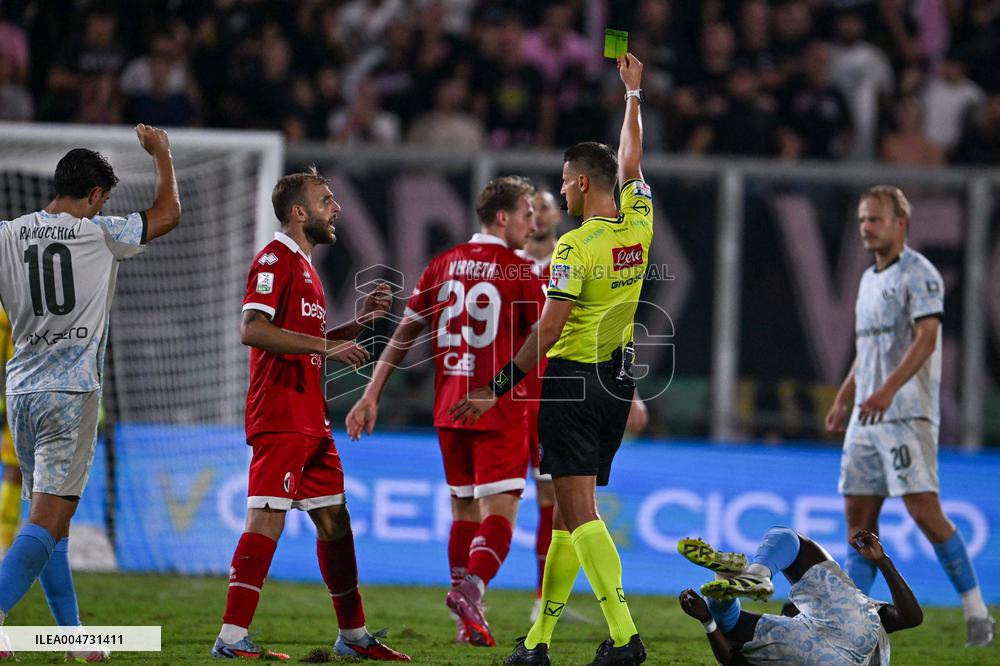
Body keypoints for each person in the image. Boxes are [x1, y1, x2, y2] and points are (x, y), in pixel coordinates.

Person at [451, 53, 651, 666]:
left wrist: (501, 383)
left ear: (583, 184)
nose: (559, 190)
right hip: (618, 380)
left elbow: (551, 323)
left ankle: (625, 637)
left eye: (565, 181)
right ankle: (538, 642)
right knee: (566, 517)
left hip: (570, 384)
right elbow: (632, 162)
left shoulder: (573, 244)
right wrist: (632, 97)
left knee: (581, 514)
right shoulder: (638, 221)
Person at [212, 167, 409, 661]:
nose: (336, 207)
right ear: (299, 212)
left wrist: (356, 327)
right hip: (278, 414)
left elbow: (303, 343)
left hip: (309, 418)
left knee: (334, 519)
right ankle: (231, 639)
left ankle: (354, 637)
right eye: (326, 200)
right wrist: (325, 343)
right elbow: (253, 330)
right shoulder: (274, 259)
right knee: (266, 518)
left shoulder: (306, 268)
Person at [0, 125, 181, 662]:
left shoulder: (8, 234)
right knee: (49, 520)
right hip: (70, 393)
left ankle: (73, 639)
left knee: (46, 518)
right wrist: (163, 155)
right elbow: (168, 214)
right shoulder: (101, 232)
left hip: (21, 393)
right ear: (96, 195)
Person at [346, 175, 544, 648]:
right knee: (502, 513)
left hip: (449, 409)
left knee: (463, 511)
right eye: (525, 214)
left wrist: (371, 393)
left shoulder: (442, 264)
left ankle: (466, 621)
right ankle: (471, 592)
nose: (532, 223)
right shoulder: (521, 271)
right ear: (502, 217)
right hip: (497, 407)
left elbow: (403, 335)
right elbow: (545, 336)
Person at [826, 185, 995, 647]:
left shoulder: (921, 274)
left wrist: (885, 391)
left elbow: (925, 340)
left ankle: (977, 610)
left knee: (925, 512)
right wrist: (845, 396)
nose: (866, 227)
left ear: (901, 222)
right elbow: (868, 350)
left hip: (906, 414)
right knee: (859, 520)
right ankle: (848, 622)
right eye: (862, 220)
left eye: (874, 219)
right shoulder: (867, 280)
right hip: (868, 415)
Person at [517, 187, 647, 624]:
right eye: (530, 207)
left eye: (548, 204)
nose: (538, 213)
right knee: (543, 504)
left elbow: (582, 323)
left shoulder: (572, 251)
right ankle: (539, 623)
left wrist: (495, 384)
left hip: (561, 385)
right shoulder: (509, 263)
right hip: (553, 388)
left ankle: (553, 606)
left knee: (558, 501)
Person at [677, 527, 923, 665]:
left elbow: (731, 659)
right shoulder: (863, 618)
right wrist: (883, 561)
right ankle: (744, 575)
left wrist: (708, 620)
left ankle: (753, 574)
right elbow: (910, 618)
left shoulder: (790, 636)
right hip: (849, 644)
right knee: (729, 626)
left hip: (822, 650)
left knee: (788, 539)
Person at [0, 307, 20, 557]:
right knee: (15, 471)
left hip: (54, 394)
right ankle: (4, 543)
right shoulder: (6, 308)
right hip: (17, 398)